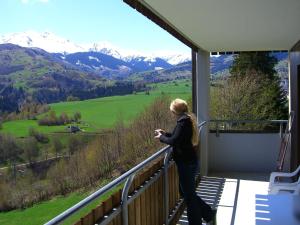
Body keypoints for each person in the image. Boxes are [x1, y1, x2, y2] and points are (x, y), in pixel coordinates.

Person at [154, 98, 216, 225]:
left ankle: (200, 219)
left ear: (175, 112)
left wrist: (161, 137)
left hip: (186, 163)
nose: (171, 113)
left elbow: (174, 141)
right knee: (186, 193)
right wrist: (166, 133)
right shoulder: (186, 120)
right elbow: (179, 136)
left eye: (171, 111)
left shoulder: (183, 123)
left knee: (189, 197)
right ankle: (208, 213)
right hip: (189, 161)